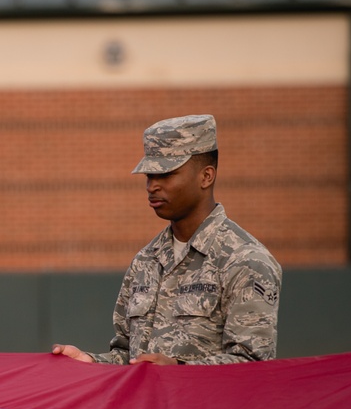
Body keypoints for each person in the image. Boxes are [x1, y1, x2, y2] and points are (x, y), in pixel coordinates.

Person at [52, 114, 280, 366]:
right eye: (150, 176)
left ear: (206, 176)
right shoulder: (145, 260)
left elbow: (254, 364)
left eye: (166, 174)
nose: (152, 186)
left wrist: (178, 371)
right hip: (147, 406)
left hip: (207, 406)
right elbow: (129, 358)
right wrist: (90, 362)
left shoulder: (246, 259)